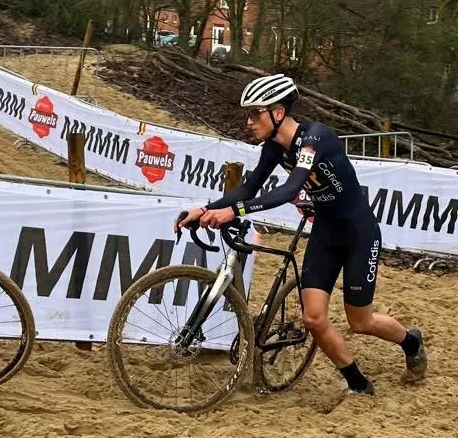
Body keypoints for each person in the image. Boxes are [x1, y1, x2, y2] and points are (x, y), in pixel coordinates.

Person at [180, 74, 427, 396]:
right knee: (313, 318)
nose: (249, 121)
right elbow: (248, 188)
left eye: (256, 113)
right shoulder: (273, 148)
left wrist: (235, 212)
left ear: (278, 112)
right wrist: (203, 209)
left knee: (360, 323)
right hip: (325, 232)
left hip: (358, 234)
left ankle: (411, 341)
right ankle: (358, 383)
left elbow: (290, 189)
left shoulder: (315, 138)